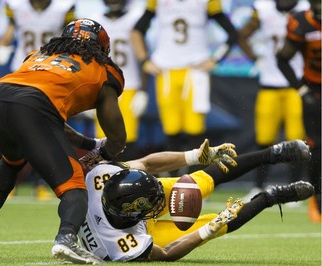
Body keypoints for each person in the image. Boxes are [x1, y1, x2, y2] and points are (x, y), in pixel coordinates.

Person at [0, 18, 127, 265]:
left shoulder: (38, 54)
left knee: (11, 161)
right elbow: (116, 138)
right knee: (74, 185)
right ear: (102, 47)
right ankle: (66, 239)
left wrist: (80, 139)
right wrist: (102, 152)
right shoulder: (104, 71)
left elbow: (39, 93)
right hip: (33, 108)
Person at [77, 139, 313, 261]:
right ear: (133, 213)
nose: (160, 201)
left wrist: (194, 156)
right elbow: (168, 253)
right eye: (152, 202)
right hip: (127, 230)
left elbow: (148, 164)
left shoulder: (101, 175)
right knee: (218, 222)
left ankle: (273, 154)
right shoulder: (123, 246)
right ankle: (271, 197)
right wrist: (208, 231)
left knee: (199, 182)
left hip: (123, 211)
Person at [130, 0, 238, 173]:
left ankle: (195, 179)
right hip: (166, 71)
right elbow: (137, 30)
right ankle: (174, 178)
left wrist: (215, 59)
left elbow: (232, 33)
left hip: (194, 72)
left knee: (195, 130)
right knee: (171, 129)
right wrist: (144, 61)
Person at [0, 0, 76, 200]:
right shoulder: (16, 6)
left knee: (47, 132)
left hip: (51, 75)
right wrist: (2, 45)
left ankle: (41, 183)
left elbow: (72, 40)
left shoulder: (63, 8)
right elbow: (11, 31)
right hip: (22, 72)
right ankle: (11, 181)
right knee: (16, 131)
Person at [237, 0, 309, 202]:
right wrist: (255, 57)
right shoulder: (263, 9)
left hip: (297, 84)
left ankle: (294, 188)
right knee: (263, 139)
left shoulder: (306, 9)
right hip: (269, 82)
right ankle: (258, 186)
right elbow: (241, 35)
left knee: (297, 138)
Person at [276, 0, 321, 223]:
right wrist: (301, 90)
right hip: (315, 91)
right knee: (317, 146)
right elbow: (282, 59)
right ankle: (317, 197)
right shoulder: (301, 22)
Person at [88, 0, 148, 161]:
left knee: (128, 139)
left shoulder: (136, 18)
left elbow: (142, 55)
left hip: (130, 84)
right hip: (103, 86)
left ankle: (127, 179)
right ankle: (106, 179)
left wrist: (143, 90)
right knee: (102, 140)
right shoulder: (94, 20)